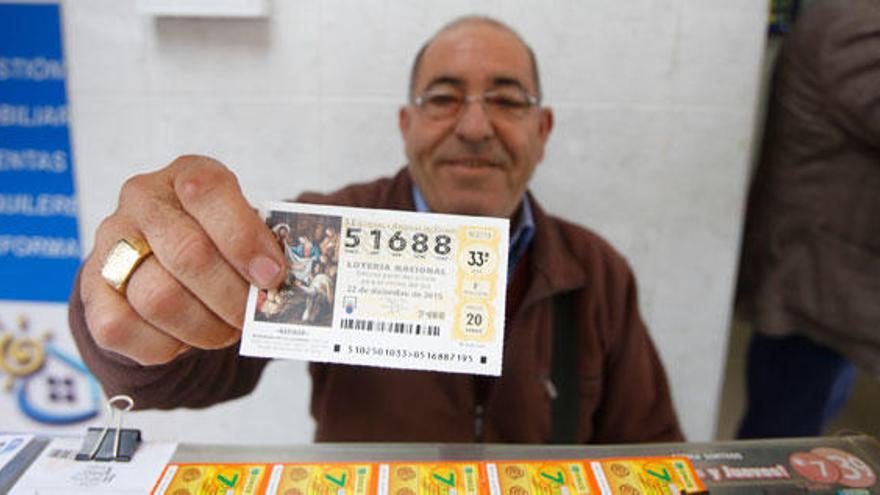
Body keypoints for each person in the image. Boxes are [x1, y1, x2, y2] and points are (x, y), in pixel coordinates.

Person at [69, 16, 683, 443]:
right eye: (443, 97)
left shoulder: (596, 272)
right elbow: (180, 372)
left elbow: (655, 454)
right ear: (405, 124)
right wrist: (130, 292)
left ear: (543, 130)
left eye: (507, 100)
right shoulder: (319, 238)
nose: (474, 126)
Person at [735, 0, 880, 438]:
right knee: (784, 447)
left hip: (831, 281)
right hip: (818, 285)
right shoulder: (855, 23)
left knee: (801, 426)